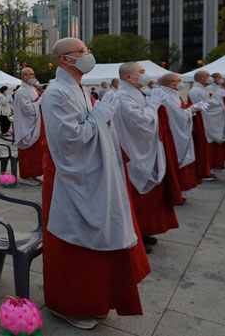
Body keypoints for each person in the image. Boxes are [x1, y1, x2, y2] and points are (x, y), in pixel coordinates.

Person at [40, 38, 149, 329]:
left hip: (94, 175)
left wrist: (101, 118)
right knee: (74, 242)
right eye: (83, 52)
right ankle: (68, 305)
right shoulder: (56, 93)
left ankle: (95, 299)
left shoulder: (79, 88)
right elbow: (69, 140)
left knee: (98, 240)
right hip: (73, 179)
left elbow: (90, 129)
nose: (89, 56)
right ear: (65, 59)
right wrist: (100, 116)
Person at [113, 62, 180, 250]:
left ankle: (144, 230)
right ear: (128, 77)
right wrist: (153, 106)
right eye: (141, 72)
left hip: (146, 149)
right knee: (135, 198)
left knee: (150, 198)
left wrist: (152, 104)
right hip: (134, 152)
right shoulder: (122, 97)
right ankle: (135, 235)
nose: (145, 75)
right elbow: (140, 121)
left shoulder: (137, 93)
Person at [159, 72, 203, 193]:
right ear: (170, 83)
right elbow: (177, 116)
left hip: (176, 129)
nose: (181, 83)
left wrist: (189, 110)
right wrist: (191, 110)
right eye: (178, 80)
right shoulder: (166, 97)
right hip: (173, 133)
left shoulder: (172, 94)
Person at [189, 70, 225, 172]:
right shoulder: (195, 90)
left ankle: (211, 168)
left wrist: (220, 97)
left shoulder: (203, 89)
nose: (210, 78)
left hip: (209, 121)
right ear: (201, 79)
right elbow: (205, 106)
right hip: (203, 123)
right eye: (208, 76)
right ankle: (204, 170)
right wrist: (217, 97)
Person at [13, 68, 45, 186]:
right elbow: (28, 109)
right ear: (23, 77)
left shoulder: (32, 89)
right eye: (29, 74)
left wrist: (39, 101)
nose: (33, 76)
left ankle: (33, 174)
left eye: (33, 74)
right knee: (28, 153)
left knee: (36, 153)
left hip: (34, 124)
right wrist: (39, 102)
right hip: (26, 126)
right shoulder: (22, 91)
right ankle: (26, 176)